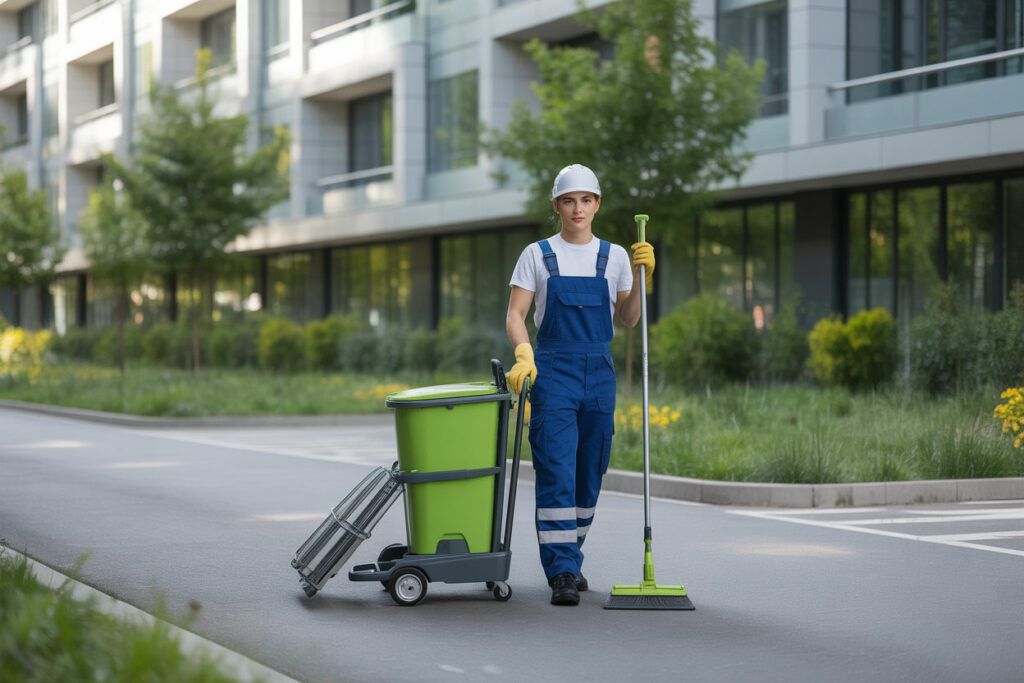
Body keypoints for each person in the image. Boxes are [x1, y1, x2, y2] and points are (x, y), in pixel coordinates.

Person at [505, 163, 655, 606]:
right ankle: (563, 571)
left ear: (597, 205)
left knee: (590, 470)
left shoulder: (616, 257)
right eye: (569, 200)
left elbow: (627, 320)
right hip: (553, 372)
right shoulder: (537, 254)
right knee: (556, 469)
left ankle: (573, 554)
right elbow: (516, 314)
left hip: (599, 373)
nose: (577, 208)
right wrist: (523, 352)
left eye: (586, 200)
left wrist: (645, 280)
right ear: (557, 205)